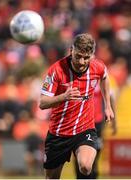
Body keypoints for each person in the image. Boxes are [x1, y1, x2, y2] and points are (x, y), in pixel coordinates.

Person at [39, 33, 114, 179]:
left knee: (85, 167)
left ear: (92, 56)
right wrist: (64, 97)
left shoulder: (97, 67)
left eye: (86, 58)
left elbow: (105, 77)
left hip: (84, 129)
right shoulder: (56, 70)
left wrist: (108, 106)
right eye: (78, 56)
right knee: (52, 178)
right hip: (58, 133)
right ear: (71, 50)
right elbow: (42, 103)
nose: (81, 61)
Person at [74, 82, 117, 179]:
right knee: (78, 152)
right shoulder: (80, 79)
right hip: (80, 123)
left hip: (97, 124)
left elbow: (111, 99)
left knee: (96, 151)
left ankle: (93, 173)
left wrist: (114, 123)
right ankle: (81, 174)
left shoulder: (102, 80)